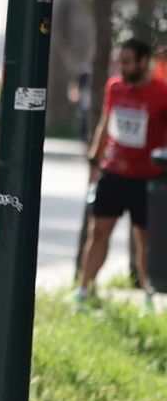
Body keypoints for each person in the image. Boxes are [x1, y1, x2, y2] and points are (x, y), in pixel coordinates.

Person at [77, 38, 167, 304]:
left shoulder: (161, 94)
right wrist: (95, 159)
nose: (122, 67)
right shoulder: (114, 87)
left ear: (143, 61)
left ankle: (148, 294)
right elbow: (106, 122)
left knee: (145, 239)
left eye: (127, 62)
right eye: (120, 61)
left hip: (146, 178)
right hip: (113, 173)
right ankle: (84, 290)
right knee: (99, 232)